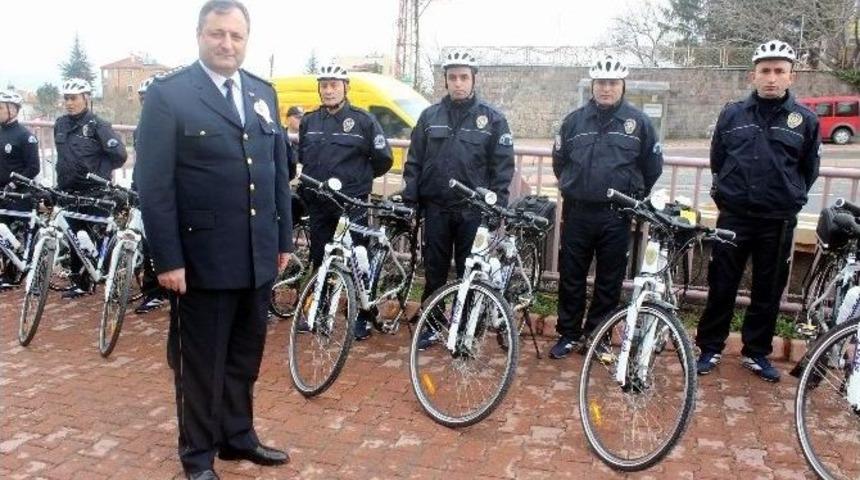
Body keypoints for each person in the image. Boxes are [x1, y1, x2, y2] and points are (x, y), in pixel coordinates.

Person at [134, 1, 293, 478]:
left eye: (236, 36)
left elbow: (277, 173)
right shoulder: (170, 94)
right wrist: (167, 258)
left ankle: (237, 436)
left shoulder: (263, 93)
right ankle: (198, 456)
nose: (227, 44)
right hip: (200, 258)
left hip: (256, 254)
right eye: (217, 34)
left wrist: (282, 237)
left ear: (247, 40)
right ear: (199, 35)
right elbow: (154, 185)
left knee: (246, 354)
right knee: (201, 363)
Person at [696, 40, 821, 382]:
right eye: (765, 71)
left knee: (767, 290)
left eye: (779, 71)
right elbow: (718, 160)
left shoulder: (805, 120)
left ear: (791, 77)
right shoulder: (732, 114)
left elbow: (808, 170)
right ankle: (710, 347)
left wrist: (789, 198)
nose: (771, 78)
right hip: (734, 216)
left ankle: (756, 353)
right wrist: (728, 195)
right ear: (753, 75)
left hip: (777, 221)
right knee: (722, 284)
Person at [549, 55, 663, 359]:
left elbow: (652, 166)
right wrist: (578, 188)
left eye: (612, 83)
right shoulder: (574, 121)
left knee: (609, 281)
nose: (606, 89)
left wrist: (634, 193)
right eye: (601, 83)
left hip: (617, 215)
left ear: (622, 85)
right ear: (593, 85)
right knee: (571, 276)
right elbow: (560, 163)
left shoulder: (638, 123)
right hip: (578, 212)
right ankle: (569, 334)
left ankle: (597, 335)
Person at [401, 50, 515, 349]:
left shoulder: (492, 119)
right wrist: (410, 201)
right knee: (434, 270)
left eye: (464, 77)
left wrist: (496, 209)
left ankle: (466, 327)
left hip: (473, 212)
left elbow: (502, 170)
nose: (458, 83)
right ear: (446, 81)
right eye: (452, 77)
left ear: (473, 79)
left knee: (470, 272)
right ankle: (433, 324)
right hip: (436, 208)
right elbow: (414, 162)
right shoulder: (429, 117)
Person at [297, 64, 393, 340]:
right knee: (320, 259)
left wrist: (358, 181)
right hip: (319, 203)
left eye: (334, 85)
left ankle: (362, 316)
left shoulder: (364, 121)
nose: (328, 90)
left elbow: (383, 159)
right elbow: (304, 155)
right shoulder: (310, 121)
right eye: (324, 85)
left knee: (358, 260)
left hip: (351, 204)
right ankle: (320, 311)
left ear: (345, 88)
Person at [54, 77, 128, 298]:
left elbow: (119, 155)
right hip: (69, 189)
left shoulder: (99, 125)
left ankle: (111, 277)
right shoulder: (60, 123)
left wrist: (99, 173)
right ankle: (80, 282)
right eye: (66, 98)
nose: (69, 103)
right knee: (75, 237)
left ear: (86, 99)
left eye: (74, 98)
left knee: (95, 238)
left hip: (94, 191)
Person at [132, 76, 168, 314]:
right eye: (143, 100)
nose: (146, 104)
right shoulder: (140, 128)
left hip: (169, 195)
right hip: (145, 190)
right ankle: (153, 291)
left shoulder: (172, 124)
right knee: (147, 243)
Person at [0, 89, 40, 287]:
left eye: (1, 107)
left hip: (18, 193)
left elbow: (33, 167)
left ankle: (16, 273)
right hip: (1, 193)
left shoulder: (25, 136)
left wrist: (15, 183)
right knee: (2, 233)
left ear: (13, 109)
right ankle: (7, 271)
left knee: (16, 236)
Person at [285, 105, 302, 179]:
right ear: (288, 119)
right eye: (297, 117)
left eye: (302, 118)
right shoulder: (280, 136)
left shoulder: (307, 137)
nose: (301, 120)